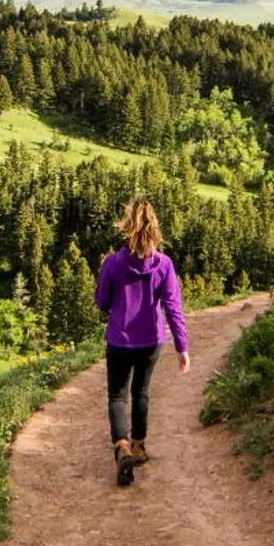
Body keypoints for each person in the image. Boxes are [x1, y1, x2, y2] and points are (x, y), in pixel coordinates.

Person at [93, 196, 190, 487]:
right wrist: (182, 347)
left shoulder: (113, 263)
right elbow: (173, 307)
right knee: (141, 392)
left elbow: (102, 303)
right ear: (154, 228)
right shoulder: (164, 265)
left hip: (120, 339)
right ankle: (138, 445)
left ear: (126, 227)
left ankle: (121, 447)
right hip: (151, 339)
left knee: (117, 396)